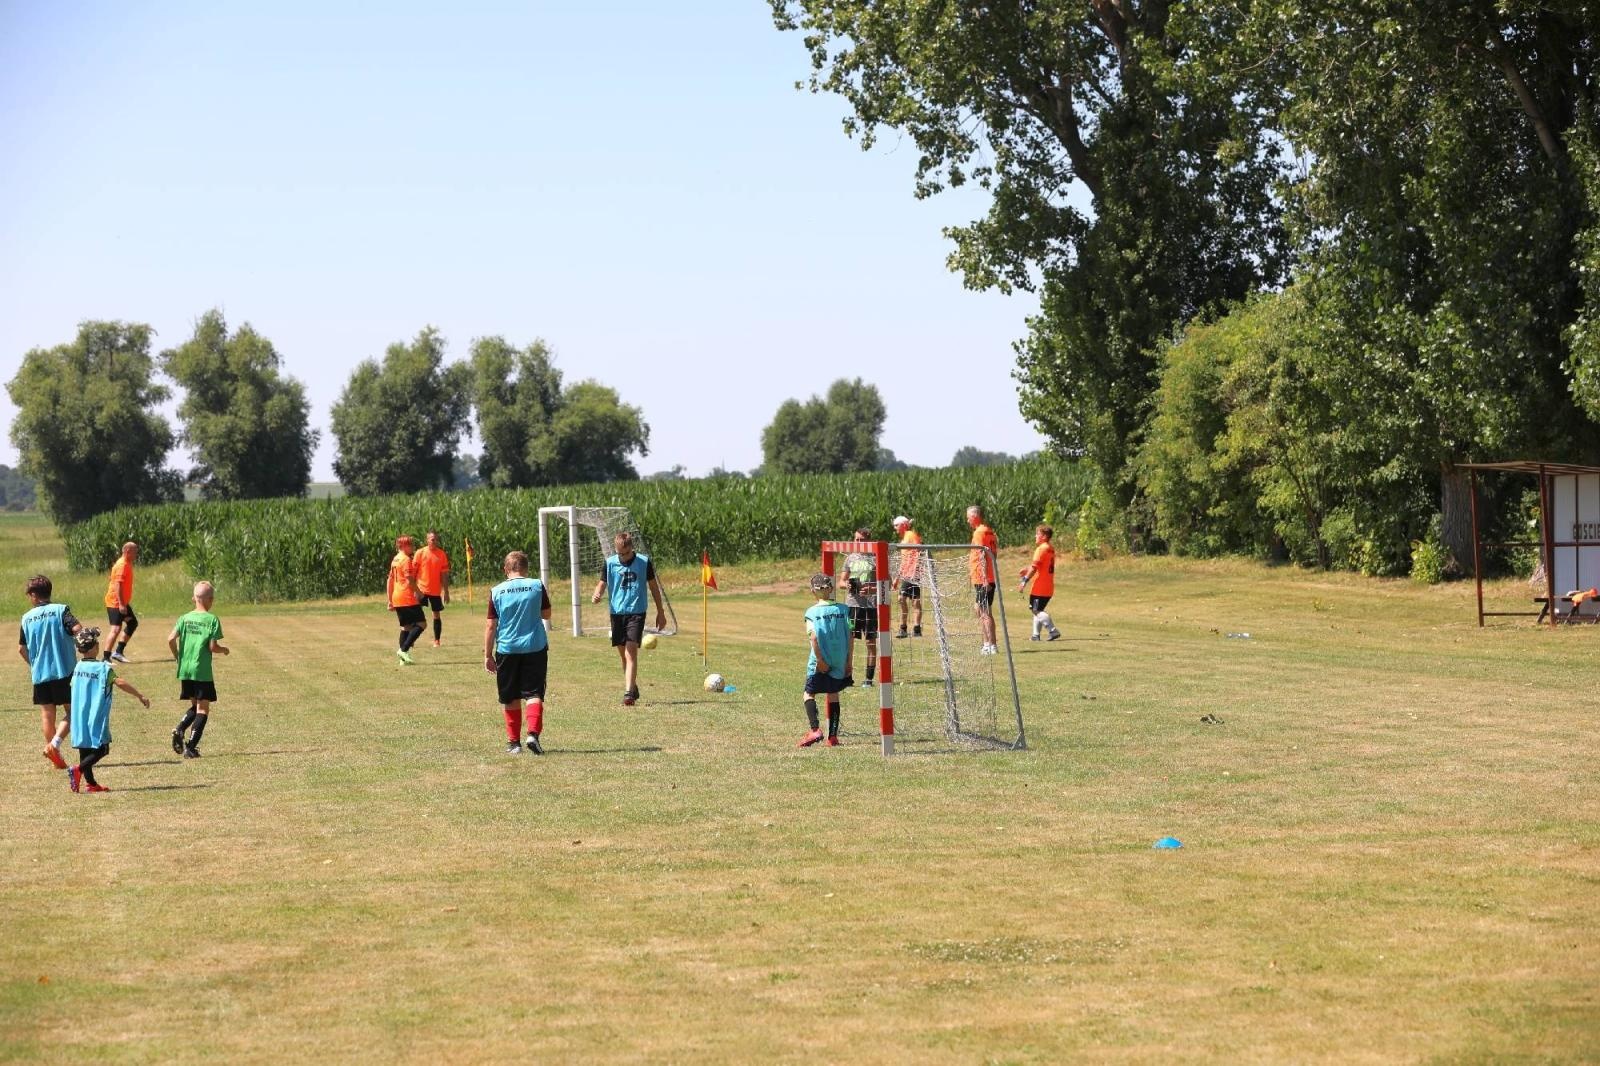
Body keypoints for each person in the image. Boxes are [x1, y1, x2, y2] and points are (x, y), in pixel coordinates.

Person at [67, 626, 150, 793]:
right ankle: (78, 770)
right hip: (95, 715)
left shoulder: (78, 667)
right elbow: (120, 682)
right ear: (94, 647)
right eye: (97, 642)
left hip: (79, 716)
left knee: (85, 749)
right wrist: (139, 695)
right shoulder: (102, 669)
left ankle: (91, 784)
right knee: (102, 749)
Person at [485, 551, 554, 755]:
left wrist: (487, 655)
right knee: (534, 693)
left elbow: (491, 625)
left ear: (506, 569)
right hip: (535, 647)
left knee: (510, 696)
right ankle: (532, 734)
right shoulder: (536, 585)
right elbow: (547, 614)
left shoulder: (496, 591)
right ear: (526, 568)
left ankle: (514, 743)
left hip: (507, 649)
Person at [590, 532, 666, 706]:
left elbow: (654, 588)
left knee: (630, 651)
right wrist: (597, 593)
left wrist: (660, 612)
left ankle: (628, 694)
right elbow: (602, 583)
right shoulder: (610, 563)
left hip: (636, 612)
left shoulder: (644, 562)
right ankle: (632, 686)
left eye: (626, 553)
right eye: (620, 554)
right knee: (623, 655)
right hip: (617, 613)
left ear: (632, 548)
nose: (623, 557)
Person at [19, 574, 81, 770]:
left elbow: (22, 649)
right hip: (64, 670)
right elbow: (77, 628)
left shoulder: (26, 618)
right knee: (73, 711)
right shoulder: (61, 610)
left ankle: (55, 757)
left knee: (47, 715)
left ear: (34, 595)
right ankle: (54, 745)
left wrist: (35, 664)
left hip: (40, 674)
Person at [168, 581, 230, 759]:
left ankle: (180, 729)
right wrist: (224, 650)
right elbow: (212, 647)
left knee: (195, 706)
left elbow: (170, 639)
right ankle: (190, 747)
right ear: (211, 600)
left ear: (193, 598)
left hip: (185, 669)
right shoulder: (212, 619)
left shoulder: (184, 618)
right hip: (201, 670)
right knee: (203, 710)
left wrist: (177, 657)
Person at [799, 572, 853, 748]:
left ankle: (815, 729)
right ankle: (833, 737)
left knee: (808, 693)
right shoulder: (844, 609)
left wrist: (820, 660)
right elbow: (851, 636)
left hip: (820, 660)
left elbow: (813, 637)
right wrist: (849, 662)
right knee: (833, 693)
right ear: (831, 589)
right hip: (840, 659)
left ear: (813, 592)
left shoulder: (811, 612)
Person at [843, 527, 879, 687]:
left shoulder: (876, 558)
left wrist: (872, 589)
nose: (858, 542)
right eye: (856, 539)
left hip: (870, 606)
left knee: (870, 642)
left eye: (861, 540)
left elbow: (886, 583)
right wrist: (847, 585)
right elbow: (841, 581)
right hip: (852, 605)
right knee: (849, 641)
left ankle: (869, 679)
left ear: (869, 541)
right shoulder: (850, 558)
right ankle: (847, 676)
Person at [387, 535, 427, 664]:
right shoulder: (405, 560)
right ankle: (403, 650)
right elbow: (410, 580)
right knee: (421, 624)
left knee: (406, 627)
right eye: (411, 544)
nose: (413, 547)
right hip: (407, 597)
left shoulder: (395, 559)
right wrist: (419, 593)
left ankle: (403, 660)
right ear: (403, 546)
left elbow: (390, 580)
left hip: (397, 597)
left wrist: (390, 599)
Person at [1018, 524, 1062, 641]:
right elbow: (1039, 566)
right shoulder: (1050, 548)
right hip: (1048, 586)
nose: (1035, 536)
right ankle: (1035, 635)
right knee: (1038, 610)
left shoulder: (1041, 549)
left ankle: (1053, 630)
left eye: (1037, 534)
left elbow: (1034, 568)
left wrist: (1024, 580)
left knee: (1036, 610)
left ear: (1044, 536)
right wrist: (1027, 569)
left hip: (1040, 587)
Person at [967, 505, 999, 654]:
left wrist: (985, 578)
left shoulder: (980, 532)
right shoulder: (989, 531)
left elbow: (982, 556)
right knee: (980, 610)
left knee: (984, 611)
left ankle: (991, 645)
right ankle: (988, 643)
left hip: (983, 579)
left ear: (975, 516)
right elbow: (994, 555)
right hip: (984, 577)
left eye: (968, 517)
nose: (967, 520)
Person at [413, 529, 452, 648]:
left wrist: (446, 592)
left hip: (435, 591)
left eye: (436, 539)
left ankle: (437, 640)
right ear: (427, 540)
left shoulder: (441, 554)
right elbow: (413, 572)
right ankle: (411, 640)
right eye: (432, 539)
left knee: (436, 615)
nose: (434, 541)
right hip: (421, 589)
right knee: (415, 614)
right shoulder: (420, 553)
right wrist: (413, 589)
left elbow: (444, 575)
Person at [103, 541, 140, 662]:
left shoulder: (125, 563)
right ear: (127, 551)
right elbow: (117, 585)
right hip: (115, 602)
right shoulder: (122, 564)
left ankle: (118, 652)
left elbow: (112, 579)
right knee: (115, 629)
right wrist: (121, 604)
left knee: (132, 623)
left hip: (121, 601)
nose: (136, 554)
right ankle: (106, 658)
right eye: (135, 552)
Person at [891, 515, 923, 638]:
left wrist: (915, 569)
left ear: (904, 525)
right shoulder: (904, 540)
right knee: (905, 600)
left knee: (909, 600)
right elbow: (904, 561)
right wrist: (897, 578)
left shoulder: (910, 535)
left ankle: (909, 629)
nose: (895, 528)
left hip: (913, 574)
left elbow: (919, 551)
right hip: (906, 574)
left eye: (896, 525)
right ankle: (912, 629)